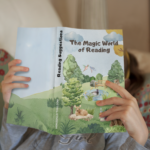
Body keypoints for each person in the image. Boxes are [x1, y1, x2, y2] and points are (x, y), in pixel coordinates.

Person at [0, 56, 150, 150]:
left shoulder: (116, 127)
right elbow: (8, 146)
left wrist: (138, 139)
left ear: (126, 83)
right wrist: (12, 104)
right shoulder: (48, 107)